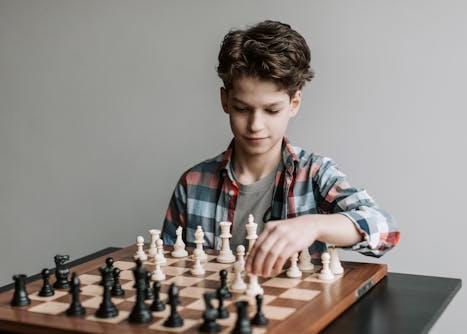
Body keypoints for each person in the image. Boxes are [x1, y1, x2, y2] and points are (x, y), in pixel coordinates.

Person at [162, 20, 400, 277]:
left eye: (272, 110)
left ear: (294, 103)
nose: (256, 125)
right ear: (225, 101)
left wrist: (314, 225)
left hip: (298, 314)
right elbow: (168, 266)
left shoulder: (315, 174)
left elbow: (385, 230)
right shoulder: (193, 183)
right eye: (243, 109)